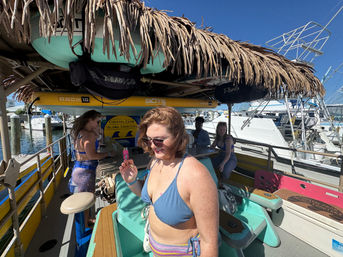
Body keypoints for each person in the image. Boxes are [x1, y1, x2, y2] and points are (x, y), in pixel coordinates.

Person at [119, 107, 218, 257]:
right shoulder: (155, 161)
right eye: (148, 139)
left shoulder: (196, 176)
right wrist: (132, 181)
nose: (152, 146)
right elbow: (149, 196)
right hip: (155, 249)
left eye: (159, 140)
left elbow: (209, 242)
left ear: (177, 136)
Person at [70, 110, 113, 224]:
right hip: (86, 171)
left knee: (83, 199)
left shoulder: (81, 132)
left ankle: (87, 219)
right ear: (90, 120)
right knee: (86, 200)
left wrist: (96, 131)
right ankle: (87, 223)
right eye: (97, 122)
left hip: (78, 169)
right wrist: (107, 154)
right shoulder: (89, 135)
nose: (98, 124)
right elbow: (92, 155)